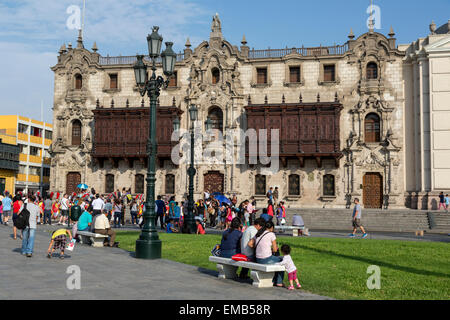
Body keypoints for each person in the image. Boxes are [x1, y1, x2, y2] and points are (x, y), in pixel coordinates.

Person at [248, 221, 284, 287]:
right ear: (272, 228)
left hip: (258, 258)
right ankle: (279, 281)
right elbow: (275, 250)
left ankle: (273, 280)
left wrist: (258, 247)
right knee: (282, 261)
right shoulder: (271, 234)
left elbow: (250, 244)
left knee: (276, 260)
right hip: (266, 259)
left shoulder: (258, 233)